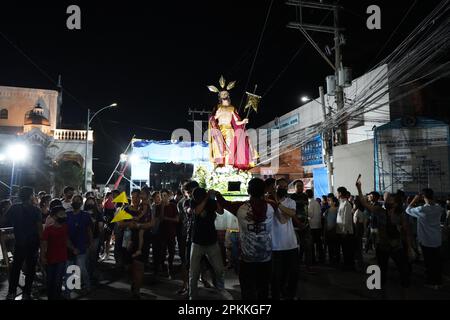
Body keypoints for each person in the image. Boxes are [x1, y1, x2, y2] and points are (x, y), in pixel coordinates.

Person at [217, 178, 275, 300]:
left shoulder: (240, 207)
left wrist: (216, 194)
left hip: (247, 259)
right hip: (266, 258)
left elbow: (223, 202)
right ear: (263, 191)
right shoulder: (271, 207)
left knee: (247, 291)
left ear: (248, 190)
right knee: (263, 290)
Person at [356, 176, 411, 298]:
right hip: (383, 246)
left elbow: (406, 232)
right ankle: (381, 291)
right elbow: (364, 203)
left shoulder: (400, 215)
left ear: (395, 202)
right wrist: (359, 188)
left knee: (403, 269)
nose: (386, 200)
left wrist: (410, 248)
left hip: (396, 246)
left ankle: (405, 290)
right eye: (385, 198)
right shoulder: (379, 210)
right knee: (382, 269)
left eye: (389, 199)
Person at [188, 187, 228, 300]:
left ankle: (221, 289)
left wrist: (216, 197)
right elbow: (197, 211)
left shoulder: (211, 202)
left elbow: (221, 211)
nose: (196, 198)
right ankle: (192, 295)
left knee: (219, 269)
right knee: (193, 272)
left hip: (211, 242)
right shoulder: (193, 202)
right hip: (197, 242)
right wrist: (207, 198)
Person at [5, 187, 42, 300]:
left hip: (19, 243)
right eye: (33, 194)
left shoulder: (14, 208)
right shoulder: (36, 210)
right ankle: (26, 293)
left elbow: (6, 220)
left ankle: (11, 293)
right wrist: (42, 245)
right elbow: (39, 229)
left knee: (16, 268)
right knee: (30, 270)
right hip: (33, 244)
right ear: (30, 196)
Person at [406, 189, 444, 289]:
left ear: (423, 197)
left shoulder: (421, 209)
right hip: (436, 239)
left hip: (426, 241)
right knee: (436, 262)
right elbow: (434, 204)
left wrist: (414, 199)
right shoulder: (439, 208)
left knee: (428, 263)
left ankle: (431, 282)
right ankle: (438, 281)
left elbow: (407, 210)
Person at [271, 178, 299, 300]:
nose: (282, 189)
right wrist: (275, 203)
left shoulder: (291, 202)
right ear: (275, 187)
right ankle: (278, 295)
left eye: (284, 187)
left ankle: (290, 295)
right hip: (275, 245)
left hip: (290, 245)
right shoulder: (269, 202)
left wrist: (277, 204)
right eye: (280, 186)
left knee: (292, 274)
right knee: (277, 276)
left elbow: (286, 218)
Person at [40, 206, 70, 300]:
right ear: (54, 216)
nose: (64, 216)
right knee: (50, 280)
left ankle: (57, 296)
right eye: (61, 214)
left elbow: (67, 240)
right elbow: (44, 244)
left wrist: (73, 248)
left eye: (64, 214)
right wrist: (43, 257)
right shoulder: (48, 229)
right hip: (50, 258)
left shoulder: (65, 227)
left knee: (58, 280)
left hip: (61, 258)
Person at [66, 195, 93, 294]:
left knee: (80, 267)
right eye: (74, 200)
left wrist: (91, 243)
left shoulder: (85, 215)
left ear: (81, 203)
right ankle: (70, 289)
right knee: (70, 268)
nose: (76, 202)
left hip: (82, 245)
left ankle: (87, 284)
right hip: (69, 246)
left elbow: (89, 230)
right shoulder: (67, 214)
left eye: (78, 201)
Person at [290, 180, 313, 271]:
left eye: (301, 186)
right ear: (294, 187)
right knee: (296, 247)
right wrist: (297, 223)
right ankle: (296, 267)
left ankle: (308, 266)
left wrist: (306, 221)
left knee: (307, 246)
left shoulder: (305, 196)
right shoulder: (291, 197)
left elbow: (305, 209)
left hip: (305, 225)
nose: (299, 187)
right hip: (295, 226)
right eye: (298, 186)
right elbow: (291, 212)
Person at [156, 189, 179, 278]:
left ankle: (170, 268)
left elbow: (177, 219)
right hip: (162, 233)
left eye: (165, 195)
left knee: (171, 252)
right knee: (162, 252)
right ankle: (163, 269)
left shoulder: (173, 206)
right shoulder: (158, 207)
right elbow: (160, 219)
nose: (163, 197)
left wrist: (167, 218)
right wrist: (162, 207)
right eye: (162, 196)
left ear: (169, 196)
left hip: (171, 233)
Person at [84, 196, 104, 284]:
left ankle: (90, 275)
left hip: (95, 237)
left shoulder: (98, 213)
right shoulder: (83, 213)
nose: (90, 204)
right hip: (84, 238)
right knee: (85, 258)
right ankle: (85, 277)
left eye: (92, 202)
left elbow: (100, 226)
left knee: (92, 257)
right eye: (88, 202)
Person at [336, 187, 355, 270]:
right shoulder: (341, 203)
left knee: (347, 250)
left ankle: (349, 265)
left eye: (337, 193)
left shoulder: (347, 204)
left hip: (346, 232)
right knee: (344, 250)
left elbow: (346, 219)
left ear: (340, 193)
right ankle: (347, 264)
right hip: (341, 231)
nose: (337, 194)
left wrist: (344, 231)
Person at [307, 189, 324, 264]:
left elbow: (310, 214)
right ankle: (321, 258)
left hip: (312, 226)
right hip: (318, 225)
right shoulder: (316, 202)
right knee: (318, 243)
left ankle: (313, 259)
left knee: (311, 244)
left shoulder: (310, 203)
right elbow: (320, 213)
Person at [323, 194, 339, 265]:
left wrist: (332, 228)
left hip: (333, 230)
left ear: (334, 202)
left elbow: (336, 221)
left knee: (334, 247)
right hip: (327, 230)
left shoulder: (336, 209)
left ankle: (335, 260)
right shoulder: (328, 209)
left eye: (330, 201)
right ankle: (331, 259)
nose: (328, 202)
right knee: (330, 247)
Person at [353, 196, 367, 270]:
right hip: (360, 230)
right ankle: (360, 263)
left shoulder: (358, 212)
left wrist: (356, 233)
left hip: (358, 231)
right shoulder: (361, 211)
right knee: (359, 248)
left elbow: (357, 224)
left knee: (358, 248)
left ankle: (360, 264)